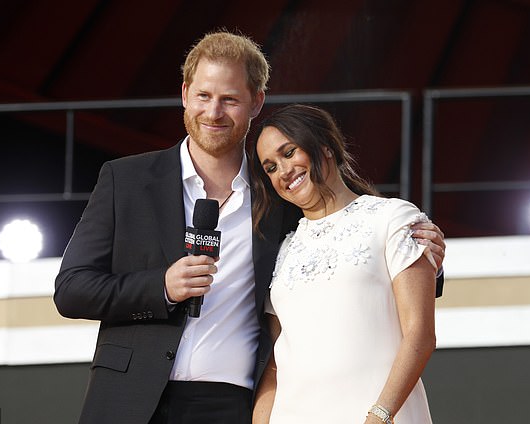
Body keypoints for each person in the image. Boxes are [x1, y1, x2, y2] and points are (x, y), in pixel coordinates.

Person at [54, 31, 445, 424]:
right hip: (130, 399)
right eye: (204, 96)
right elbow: (72, 290)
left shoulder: (280, 194)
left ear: (256, 102)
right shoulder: (126, 179)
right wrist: (162, 287)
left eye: (230, 99)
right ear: (185, 94)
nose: (213, 112)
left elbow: (345, 235)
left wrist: (425, 256)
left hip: (232, 406)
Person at [251, 104, 438, 423]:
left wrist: (381, 415)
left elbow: (420, 334)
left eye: (289, 152)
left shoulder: (392, 218)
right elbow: (275, 365)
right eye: (270, 167)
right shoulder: (282, 250)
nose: (283, 171)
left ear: (325, 146)